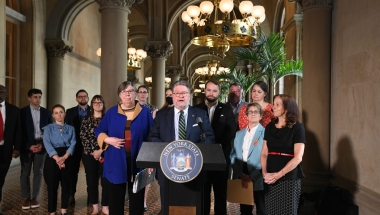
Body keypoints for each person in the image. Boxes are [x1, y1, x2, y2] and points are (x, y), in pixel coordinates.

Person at [148, 80, 215, 215]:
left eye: (184, 93)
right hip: (168, 168)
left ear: (189, 95)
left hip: (194, 169)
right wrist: (171, 149)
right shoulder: (162, 115)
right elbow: (153, 137)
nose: (180, 96)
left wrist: (194, 152)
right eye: (177, 93)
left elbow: (209, 137)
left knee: (192, 206)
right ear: (172, 96)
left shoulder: (200, 114)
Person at [95, 81, 153, 215]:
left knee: (137, 200)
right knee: (115, 199)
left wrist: (150, 161)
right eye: (124, 92)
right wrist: (107, 139)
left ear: (135, 94)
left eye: (131, 91)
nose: (128, 94)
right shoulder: (111, 112)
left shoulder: (144, 112)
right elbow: (99, 130)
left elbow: (152, 135)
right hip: (116, 160)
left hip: (139, 161)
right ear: (119, 95)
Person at [195, 80, 236, 215]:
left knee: (220, 193)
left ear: (219, 92)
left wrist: (213, 146)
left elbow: (230, 131)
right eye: (209, 90)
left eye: (214, 90)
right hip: (202, 158)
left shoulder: (226, 109)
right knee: (203, 192)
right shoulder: (196, 109)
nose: (211, 93)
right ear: (205, 91)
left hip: (221, 157)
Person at [260, 94, 305, 214]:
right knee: (270, 211)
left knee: (287, 211)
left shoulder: (298, 128)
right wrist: (264, 173)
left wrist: (279, 175)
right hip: (269, 176)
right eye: (273, 104)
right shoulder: (269, 127)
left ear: (287, 108)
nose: (273, 107)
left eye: (277, 105)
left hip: (288, 177)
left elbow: (298, 157)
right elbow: (264, 152)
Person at [20, 88, 53, 210]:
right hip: (27, 146)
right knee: (25, 172)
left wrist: (43, 145)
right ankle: (25, 198)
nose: (38, 99)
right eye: (35, 97)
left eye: (39, 97)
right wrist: (29, 145)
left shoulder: (46, 112)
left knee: (38, 172)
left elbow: (49, 131)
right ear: (29, 98)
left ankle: (34, 197)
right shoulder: (22, 112)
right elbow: (20, 132)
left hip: (41, 145)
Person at [230, 103, 266, 215]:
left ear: (261, 116)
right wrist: (241, 174)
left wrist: (252, 176)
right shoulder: (239, 134)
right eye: (250, 111)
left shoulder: (265, 133)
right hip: (242, 174)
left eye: (256, 112)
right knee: (245, 210)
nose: (253, 114)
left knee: (262, 209)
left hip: (259, 174)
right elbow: (233, 156)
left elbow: (266, 156)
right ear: (246, 115)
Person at [43, 104, 76, 215]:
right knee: (52, 185)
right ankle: (52, 211)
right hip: (53, 157)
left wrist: (65, 157)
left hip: (67, 156)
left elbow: (73, 143)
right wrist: (57, 158)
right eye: (56, 113)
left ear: (64, 113)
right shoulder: (48, 128)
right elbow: (47, 144)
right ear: (53, 115)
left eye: (61, 112)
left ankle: (63, 209)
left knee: (66, 184)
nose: (59, 115)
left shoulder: (71, 129)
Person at [80, 95, 108, 215]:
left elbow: (110, 135)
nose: (97, 104)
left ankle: (105, 206)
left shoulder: (108, 118)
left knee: (106, 181)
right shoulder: (86, 119)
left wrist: (100, 150)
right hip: (89, 154)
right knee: (91, 181)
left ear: (103, 104)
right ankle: (95, 207)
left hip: (106, 153)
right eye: (95, 102)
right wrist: (94, 151)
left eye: (100, 102)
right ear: (91, 105)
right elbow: (83, 137)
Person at [64, 89, 90, 205]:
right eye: (80, 97)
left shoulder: (93, 111)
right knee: (72, 172)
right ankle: (71, 195)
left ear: (87, 98)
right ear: (76, 99)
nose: (82, 98)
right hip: (74, 146)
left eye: (84, 96)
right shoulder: (69, 112)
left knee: (90, 172)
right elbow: (66, 129)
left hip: (89, 146)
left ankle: (91, 196)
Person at [136, 85, 157, 212]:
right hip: (135, 143)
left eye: (145, 92)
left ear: (147, 94)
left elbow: (154, 126)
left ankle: (143, 201)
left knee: (146, 173)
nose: (143, 94)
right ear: (137, 94)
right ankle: (133, 196)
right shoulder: (132, 106)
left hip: (147, 143)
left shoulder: (153, 108)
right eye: (140, 92)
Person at [0, 85, 21, 213]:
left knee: (1, 177)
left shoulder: (14, 110)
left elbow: (18, 131)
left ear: (6, 94)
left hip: (5, 150)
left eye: (2, 92)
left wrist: (17, 148)